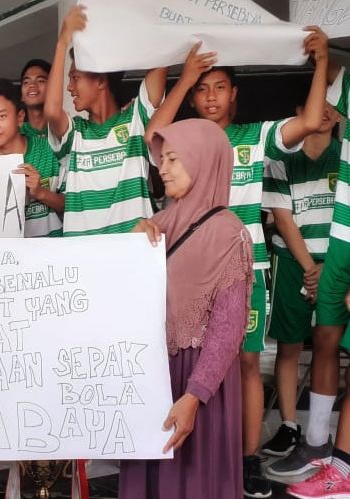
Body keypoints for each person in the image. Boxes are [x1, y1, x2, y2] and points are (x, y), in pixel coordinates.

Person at [145, 27, 329, 497]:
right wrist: (183, 78)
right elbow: (154, 136)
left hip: (244, 267)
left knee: (244, 362)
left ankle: (244, 461)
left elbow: (310, 120)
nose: (210, 96)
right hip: (190, 272)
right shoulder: (182, 146)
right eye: (202, 89)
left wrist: (321, 62)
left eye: (219, 86)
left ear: (236, 94)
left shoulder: (257, 136)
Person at [123, 118, 253, 499]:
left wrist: (193, 397)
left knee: (193, 479)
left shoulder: (230, 234)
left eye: (173, 159)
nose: (162, 168)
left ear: (202, 160)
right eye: (161, 160)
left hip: (197, 384)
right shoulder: (157, 224)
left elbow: (227, 331)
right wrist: (130, 244)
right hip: (154, 375)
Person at [263, 104, 341, 477]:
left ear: (340, 115)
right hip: (295, 261)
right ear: (299, 112)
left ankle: (324, 439)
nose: (323, 114)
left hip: (338, 262)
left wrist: (328, 269)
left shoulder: (344, 156)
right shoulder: (281, 158)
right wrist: (312, 269)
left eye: (332, 108)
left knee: (328, 343)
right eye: (315, 107)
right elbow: (282, 217)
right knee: (290, 345)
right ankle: (291, 426)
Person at [44, 5, 166, 236]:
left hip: (132, 253)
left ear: (100, 81)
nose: (69, 87)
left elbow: (162, 56)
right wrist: (62, 43)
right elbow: (51, 111)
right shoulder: (75, 134)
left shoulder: (135, 121)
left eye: (75, 78)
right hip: (85, 260)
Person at [286, 61, 350, 499]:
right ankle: (318, 448)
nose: (326, 108)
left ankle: (339, 467)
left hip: (339, 254)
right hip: (334, 251)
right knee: (324, 341)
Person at [0, 78, 64, 237]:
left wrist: (41, 193)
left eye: (1, 116)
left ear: (20, 117)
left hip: (52, 256)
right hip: (7, 258)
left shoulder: (49, 150)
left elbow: (76, 205)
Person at [19, 59, 50, 138]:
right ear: (22, 96)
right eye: (26, 82)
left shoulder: (64, 131)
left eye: (40, 81)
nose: (32, 85)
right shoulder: (14, 134)